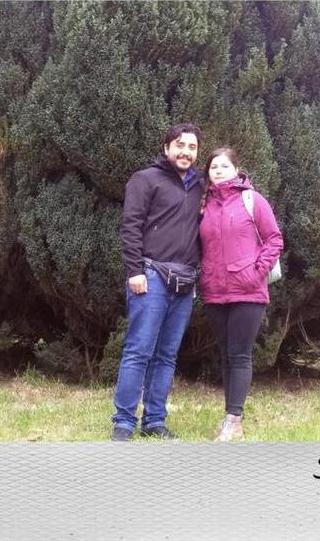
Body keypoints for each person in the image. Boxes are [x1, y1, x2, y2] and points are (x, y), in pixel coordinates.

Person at [111, 122, 204, 442]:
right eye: (180, 145)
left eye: (192, 147)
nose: (186, 152)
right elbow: (131, 227)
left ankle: (154, 420)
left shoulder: (199, 185)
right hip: (150, 277)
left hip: (185, 281)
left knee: (166, 355)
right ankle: (123, 422)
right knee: (138, 351)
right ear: (166, 148)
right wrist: (134, 271)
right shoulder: (145, 179)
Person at [199, 147, 283, 441]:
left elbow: (274, 239)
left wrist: (256, 271)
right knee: (225, 355)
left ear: (236, 169)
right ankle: (229, 417)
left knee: (240, 354)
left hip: (248, 291)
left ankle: (234, 419)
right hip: (214, 291)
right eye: (213, 167)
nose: (218, 170)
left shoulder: (252, 200)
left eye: (223, 166)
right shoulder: (203, 204)